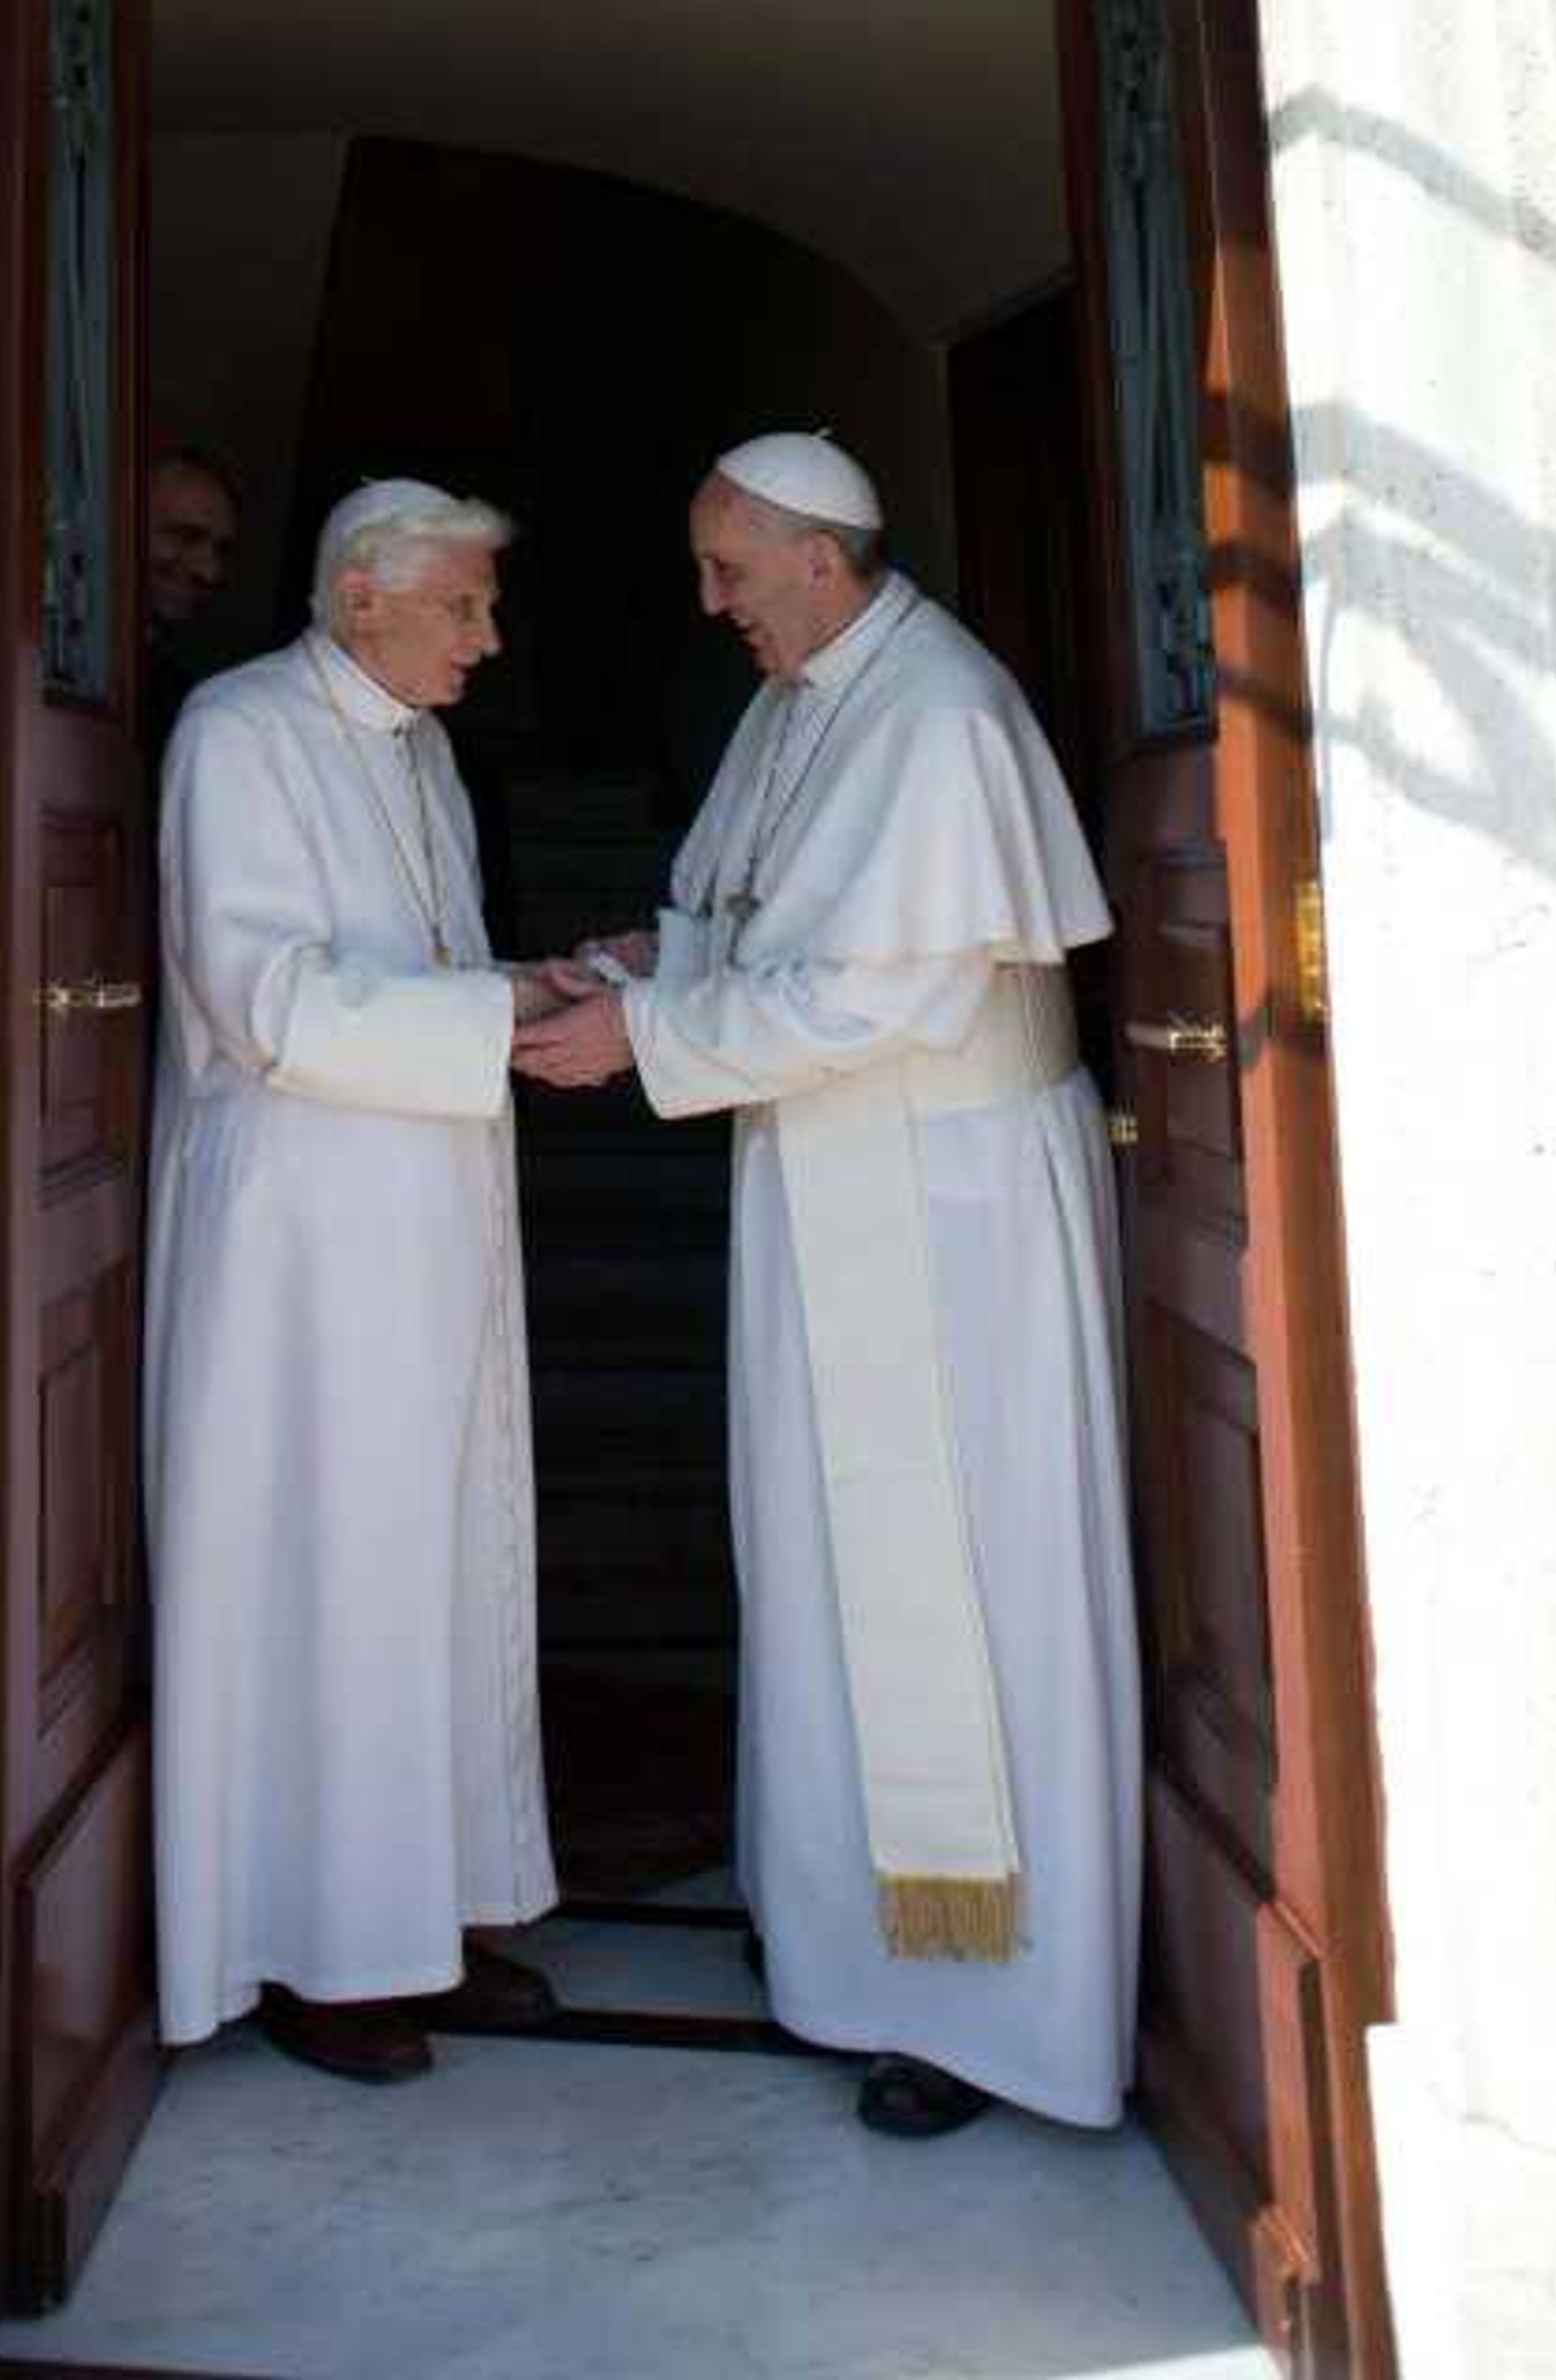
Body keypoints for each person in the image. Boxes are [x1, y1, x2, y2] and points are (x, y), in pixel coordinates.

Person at [516, 430, 1139, 2139]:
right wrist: (660, 960)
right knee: (818, 1567)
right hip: (833, 1178)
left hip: (951, 1209)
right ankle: (852, 1947)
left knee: (964, 1579)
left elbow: (884, 999)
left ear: (817, 553)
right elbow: (790, 935)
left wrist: (638, 1035)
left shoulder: (937, 714)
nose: (713, 604)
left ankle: (996, 2008)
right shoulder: (809, 703)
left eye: (732, 571)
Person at [146, 474, 561, 2082]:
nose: (488, 638)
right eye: (464, 605)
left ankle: (425, 1919)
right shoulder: (240, 737)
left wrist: (526, 995)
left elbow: (436, 975)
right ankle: (317, 1954)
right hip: (305, 1254)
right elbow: (269, 998)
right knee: (327, 1581)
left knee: (434, 1574)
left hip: (429, 1220)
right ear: (361, 596)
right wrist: (507, 1016)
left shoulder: (425, 747)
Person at [145, 444, 243, 747]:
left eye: (221, 551)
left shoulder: (186, 703)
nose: (210, 572)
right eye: (186, 537)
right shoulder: (61, 666)